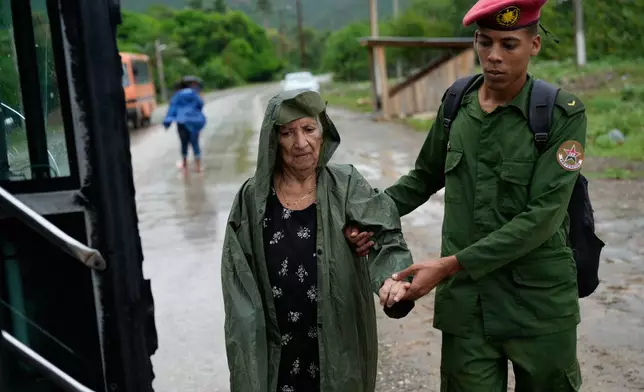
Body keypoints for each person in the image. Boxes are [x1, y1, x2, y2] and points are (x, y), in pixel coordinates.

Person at [346, 0, 586, 390]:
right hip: (467, 309)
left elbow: (542, 216)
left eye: (509, 45)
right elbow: (423, 178)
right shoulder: (457, 104)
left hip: (539, 306)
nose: (493, 56)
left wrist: (449, 265)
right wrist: (367, 219)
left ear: (534, 45)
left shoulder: (561, 114)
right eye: (484, 42)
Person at [221, 89, 416, 392]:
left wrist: (393, 279)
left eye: (309, 129)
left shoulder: (347, 184)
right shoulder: (251, 199)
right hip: (276, 349)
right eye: (288, 132)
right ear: (274, 140)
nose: (301, 143)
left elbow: (385, 233)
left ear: (323, 133)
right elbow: (237, 282)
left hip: (336, 343)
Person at [163, 78, 206, 173]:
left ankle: (185, 165)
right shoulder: (194, 94)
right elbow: (201, 104)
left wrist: (167, 123)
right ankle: (198, 167)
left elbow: (172, 109)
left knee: (184, 143)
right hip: (194, 121)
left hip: (181, 122)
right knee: (195, 143)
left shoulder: (177, 96)